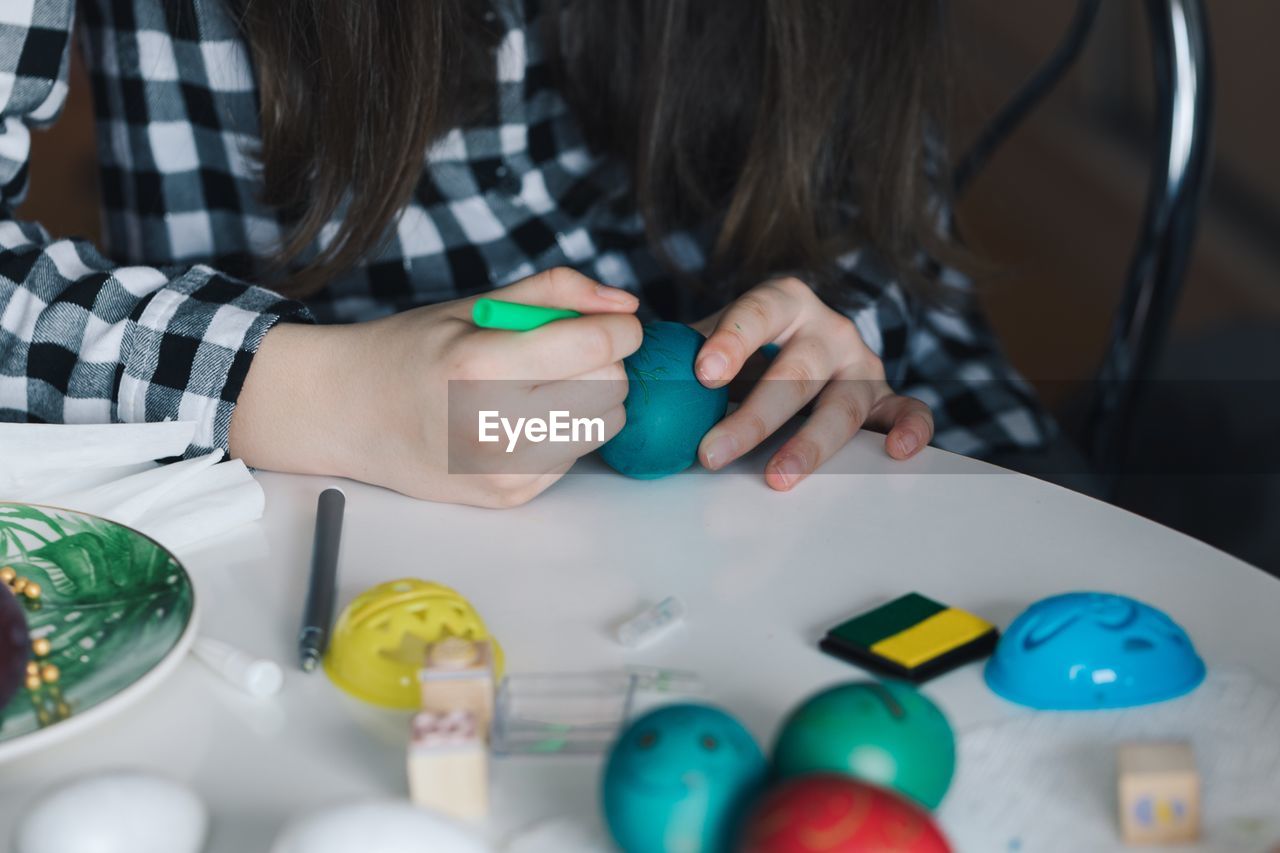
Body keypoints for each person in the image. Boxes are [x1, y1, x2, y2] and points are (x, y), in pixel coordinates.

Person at [0, 0, 1052, 507]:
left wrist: (832, 327)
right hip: (313, 500)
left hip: (853, 449)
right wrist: (317, 389)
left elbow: (870, 188)